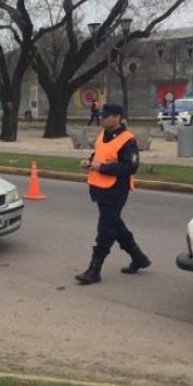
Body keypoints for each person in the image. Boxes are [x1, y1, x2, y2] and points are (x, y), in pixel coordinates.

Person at [76, 103, 150, 285]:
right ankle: (138, 257)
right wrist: (90, 161)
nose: (102, 118)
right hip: (99, 187)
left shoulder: (128, 140)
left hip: (116, 189)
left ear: (117, 117)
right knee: (115, 225)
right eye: (101, 115)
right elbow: (100, 153)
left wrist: (102, 167)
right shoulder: (103, 135)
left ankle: (94, 269)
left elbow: (130, 166)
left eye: (106, 116)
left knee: (106, 229)